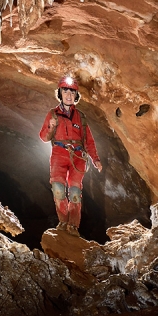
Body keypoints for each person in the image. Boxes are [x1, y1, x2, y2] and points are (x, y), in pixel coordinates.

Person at [40, 75, 102, 234]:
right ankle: (63, 221)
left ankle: (73, 225)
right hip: (59, 155)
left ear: (76, 96)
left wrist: (95, 159)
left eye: (72, 92)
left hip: (78, 156)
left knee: (75, 192)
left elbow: (89, 140)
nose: (68, 95)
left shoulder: (80, 117)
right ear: (60, 93)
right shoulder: (52, 114)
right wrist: (51, 127)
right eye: (65, 91)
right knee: (58, 189)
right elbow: (43, 137)